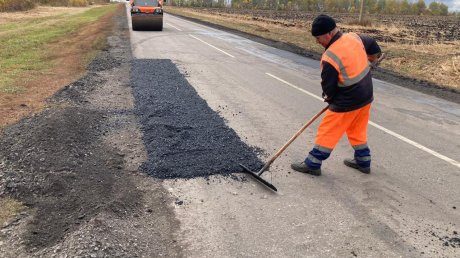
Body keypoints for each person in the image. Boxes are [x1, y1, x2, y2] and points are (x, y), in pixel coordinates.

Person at [291, 14, 383, 176]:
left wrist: (329, 99)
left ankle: (313, 164)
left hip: (348, 101)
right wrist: (371, 59)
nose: (317, 42)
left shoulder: (330, 57)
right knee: (357, 129)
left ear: (329, 33)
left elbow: (329, 88)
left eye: (318, 38)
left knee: (328, 130)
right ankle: (363, 161)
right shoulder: (353, 37)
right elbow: (373, 46)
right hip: (366, 95)